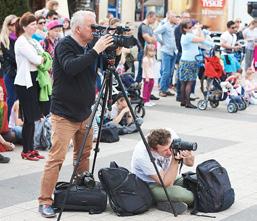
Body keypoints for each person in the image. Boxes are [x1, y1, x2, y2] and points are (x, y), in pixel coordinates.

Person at [38, 10, 114, 218]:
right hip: (64, 114)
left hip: (85, 112)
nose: (94, 29)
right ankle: (45, 201)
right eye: (92, 26)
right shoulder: (65, 45)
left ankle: (81, 191)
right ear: (77, 28)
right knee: (56, 158)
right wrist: (95, 51)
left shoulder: (91, 45)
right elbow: (71, 67)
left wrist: (110, 41)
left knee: (84, 154)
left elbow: (104, 61)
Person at [131, 128, 194, 214]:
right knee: (187, 196)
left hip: (170, 176)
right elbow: (166, 183)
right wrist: (175, 160)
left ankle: (165, 201)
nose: (169, 152)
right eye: (165, 150)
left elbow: (190, 164)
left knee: (195, 182)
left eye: (170, 147)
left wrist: (188, 155)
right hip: (149, 186)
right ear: (153, 150)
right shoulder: (142, 155)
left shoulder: (171, 136)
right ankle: (161, 200)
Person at [14, 12, 45, 161]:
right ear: (24, 26)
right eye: (32, 24)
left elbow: (44, 55)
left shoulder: (33, 41)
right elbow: (37, 59)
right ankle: (26, 150)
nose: (35, 27)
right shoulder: (21, 41)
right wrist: (40, 59)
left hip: (34, 80)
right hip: (24, 82)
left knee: (33, 117)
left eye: (35, 24)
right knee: (29, 118)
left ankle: (31, 148)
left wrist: (41, 59)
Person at [178, 21, 213, 109]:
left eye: (192, 27)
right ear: (184, 29)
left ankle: (183, 101)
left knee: (183, 82)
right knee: (189, 82)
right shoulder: (189, 36)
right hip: (191, 60)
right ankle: (188, 103)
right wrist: (199, 29)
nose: (192, 28)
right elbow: (202, 39)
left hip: (184, 60)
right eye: (190, 27)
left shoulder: (184, 35)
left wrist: (197, 30)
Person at [154, 11, 177, 97]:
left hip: (174, 51)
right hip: (166, 51)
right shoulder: (165, 26)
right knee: (166, 72)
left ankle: (166, 89)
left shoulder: (175, 26)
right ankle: (162, 90)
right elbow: (155, 32)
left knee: (170, 72)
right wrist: (161, 42)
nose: (176, 18)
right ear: (170, 18)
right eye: (174, 17)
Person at [0, 14, 18, 118]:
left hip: (19, 71)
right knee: (11, 98)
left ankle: (16, 121)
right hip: (10, 73)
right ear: (8, 26)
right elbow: (10, 57)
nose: (16, 26)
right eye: (14, 24)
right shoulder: (4, 39)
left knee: (19, 99)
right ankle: (5, 124)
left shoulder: (19, 37)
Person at [136, 11, 157, 84]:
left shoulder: (149, 27)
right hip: (143, 52)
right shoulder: (143, 26)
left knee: (147, 73)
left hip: (147, 52)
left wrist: (152, 39)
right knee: (141, 73)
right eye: (154, 19)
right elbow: (149, 40)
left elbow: (154, 39)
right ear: (149, 17)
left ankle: (146, 92)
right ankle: (136, 91)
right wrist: (152, 39)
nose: (155, 21)